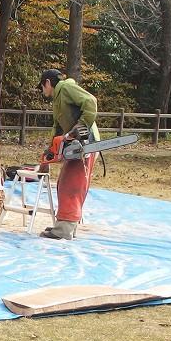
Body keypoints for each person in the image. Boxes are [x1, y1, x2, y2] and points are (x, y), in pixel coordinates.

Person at [37, 68, 99, 240]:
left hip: (86, 143)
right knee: (64, 183)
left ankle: (64, 230)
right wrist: (52, 148)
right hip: (74, 145)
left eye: (42, 87)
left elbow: (91, 101)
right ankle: (64, 226)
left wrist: (81, 125)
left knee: (72, 185)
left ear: (47, 83)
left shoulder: (66, 88)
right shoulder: (58, 99)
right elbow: (58, 127)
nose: (42, 91)